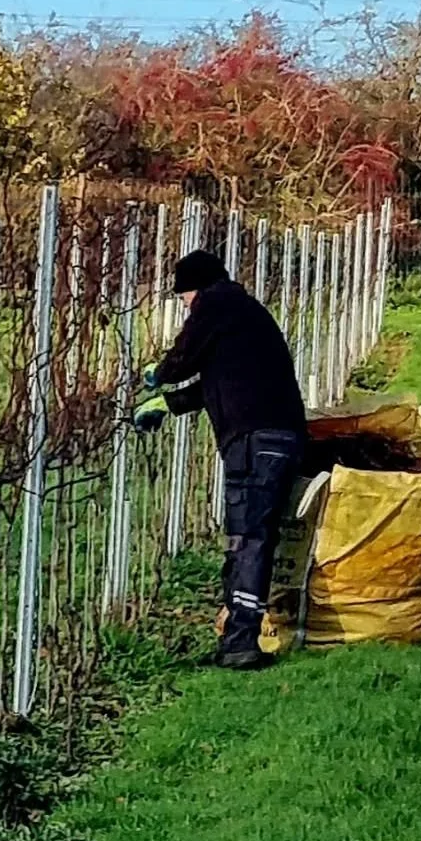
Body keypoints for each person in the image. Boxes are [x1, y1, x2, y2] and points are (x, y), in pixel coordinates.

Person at [133, 248, 307, 670]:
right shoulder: (243, 316)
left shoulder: (216, 303)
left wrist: (160, 372)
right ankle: (235, 632)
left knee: (248, 539)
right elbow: (217, 382)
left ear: (194, 289)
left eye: (182, 298)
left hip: (254, 442)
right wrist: (167, 404)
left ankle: (241, 644)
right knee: (251, 536)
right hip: (279, 435)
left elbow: (185, 357)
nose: (184, 307)